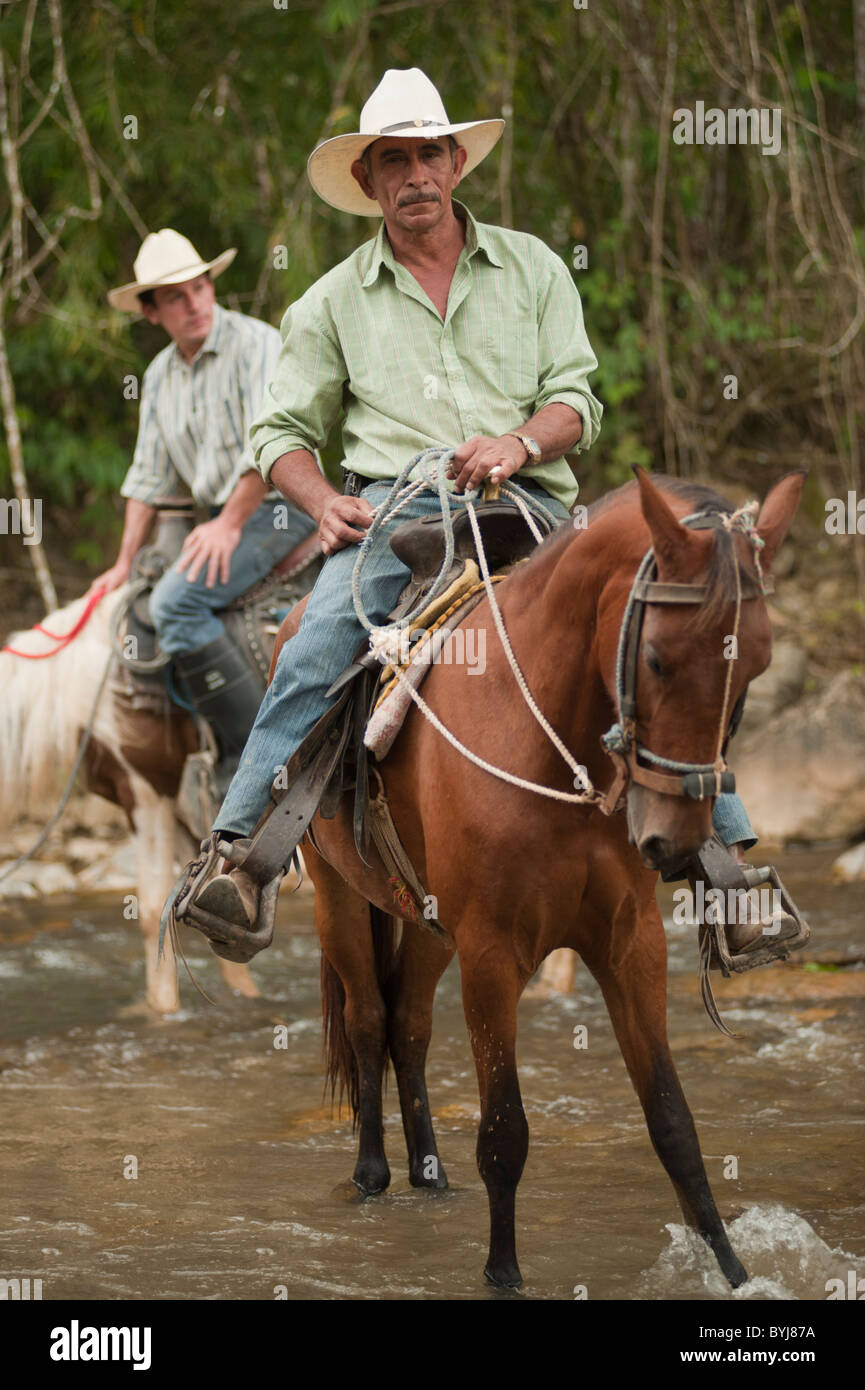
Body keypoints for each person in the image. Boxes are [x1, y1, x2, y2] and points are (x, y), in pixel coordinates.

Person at [177, 67, 771, 962]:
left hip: (530, 505)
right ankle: (241, 857)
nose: (414, 174)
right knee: (315, 640)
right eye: (393, 160)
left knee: (668, 630)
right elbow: (281, 434)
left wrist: (519, 444)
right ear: (370, 181)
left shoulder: (531, 266)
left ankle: (733, 869)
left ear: (456, 163)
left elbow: (577, 400)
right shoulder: (330, 300)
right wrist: (319, 499)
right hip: (397, 513)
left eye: (428, 154)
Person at [92, 229, 317, 788]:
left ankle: (249, 758)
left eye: (199, 287)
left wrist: (229, 523)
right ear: (151, 312)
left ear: (211, 285)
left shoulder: (256, 344)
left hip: (281, 500)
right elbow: (148, 480)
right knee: (137, 596)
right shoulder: (159, 376)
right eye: (175, 296)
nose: (194, 303)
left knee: (174, 603)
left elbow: (271, 447)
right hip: (219, 514)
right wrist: (122, 564)